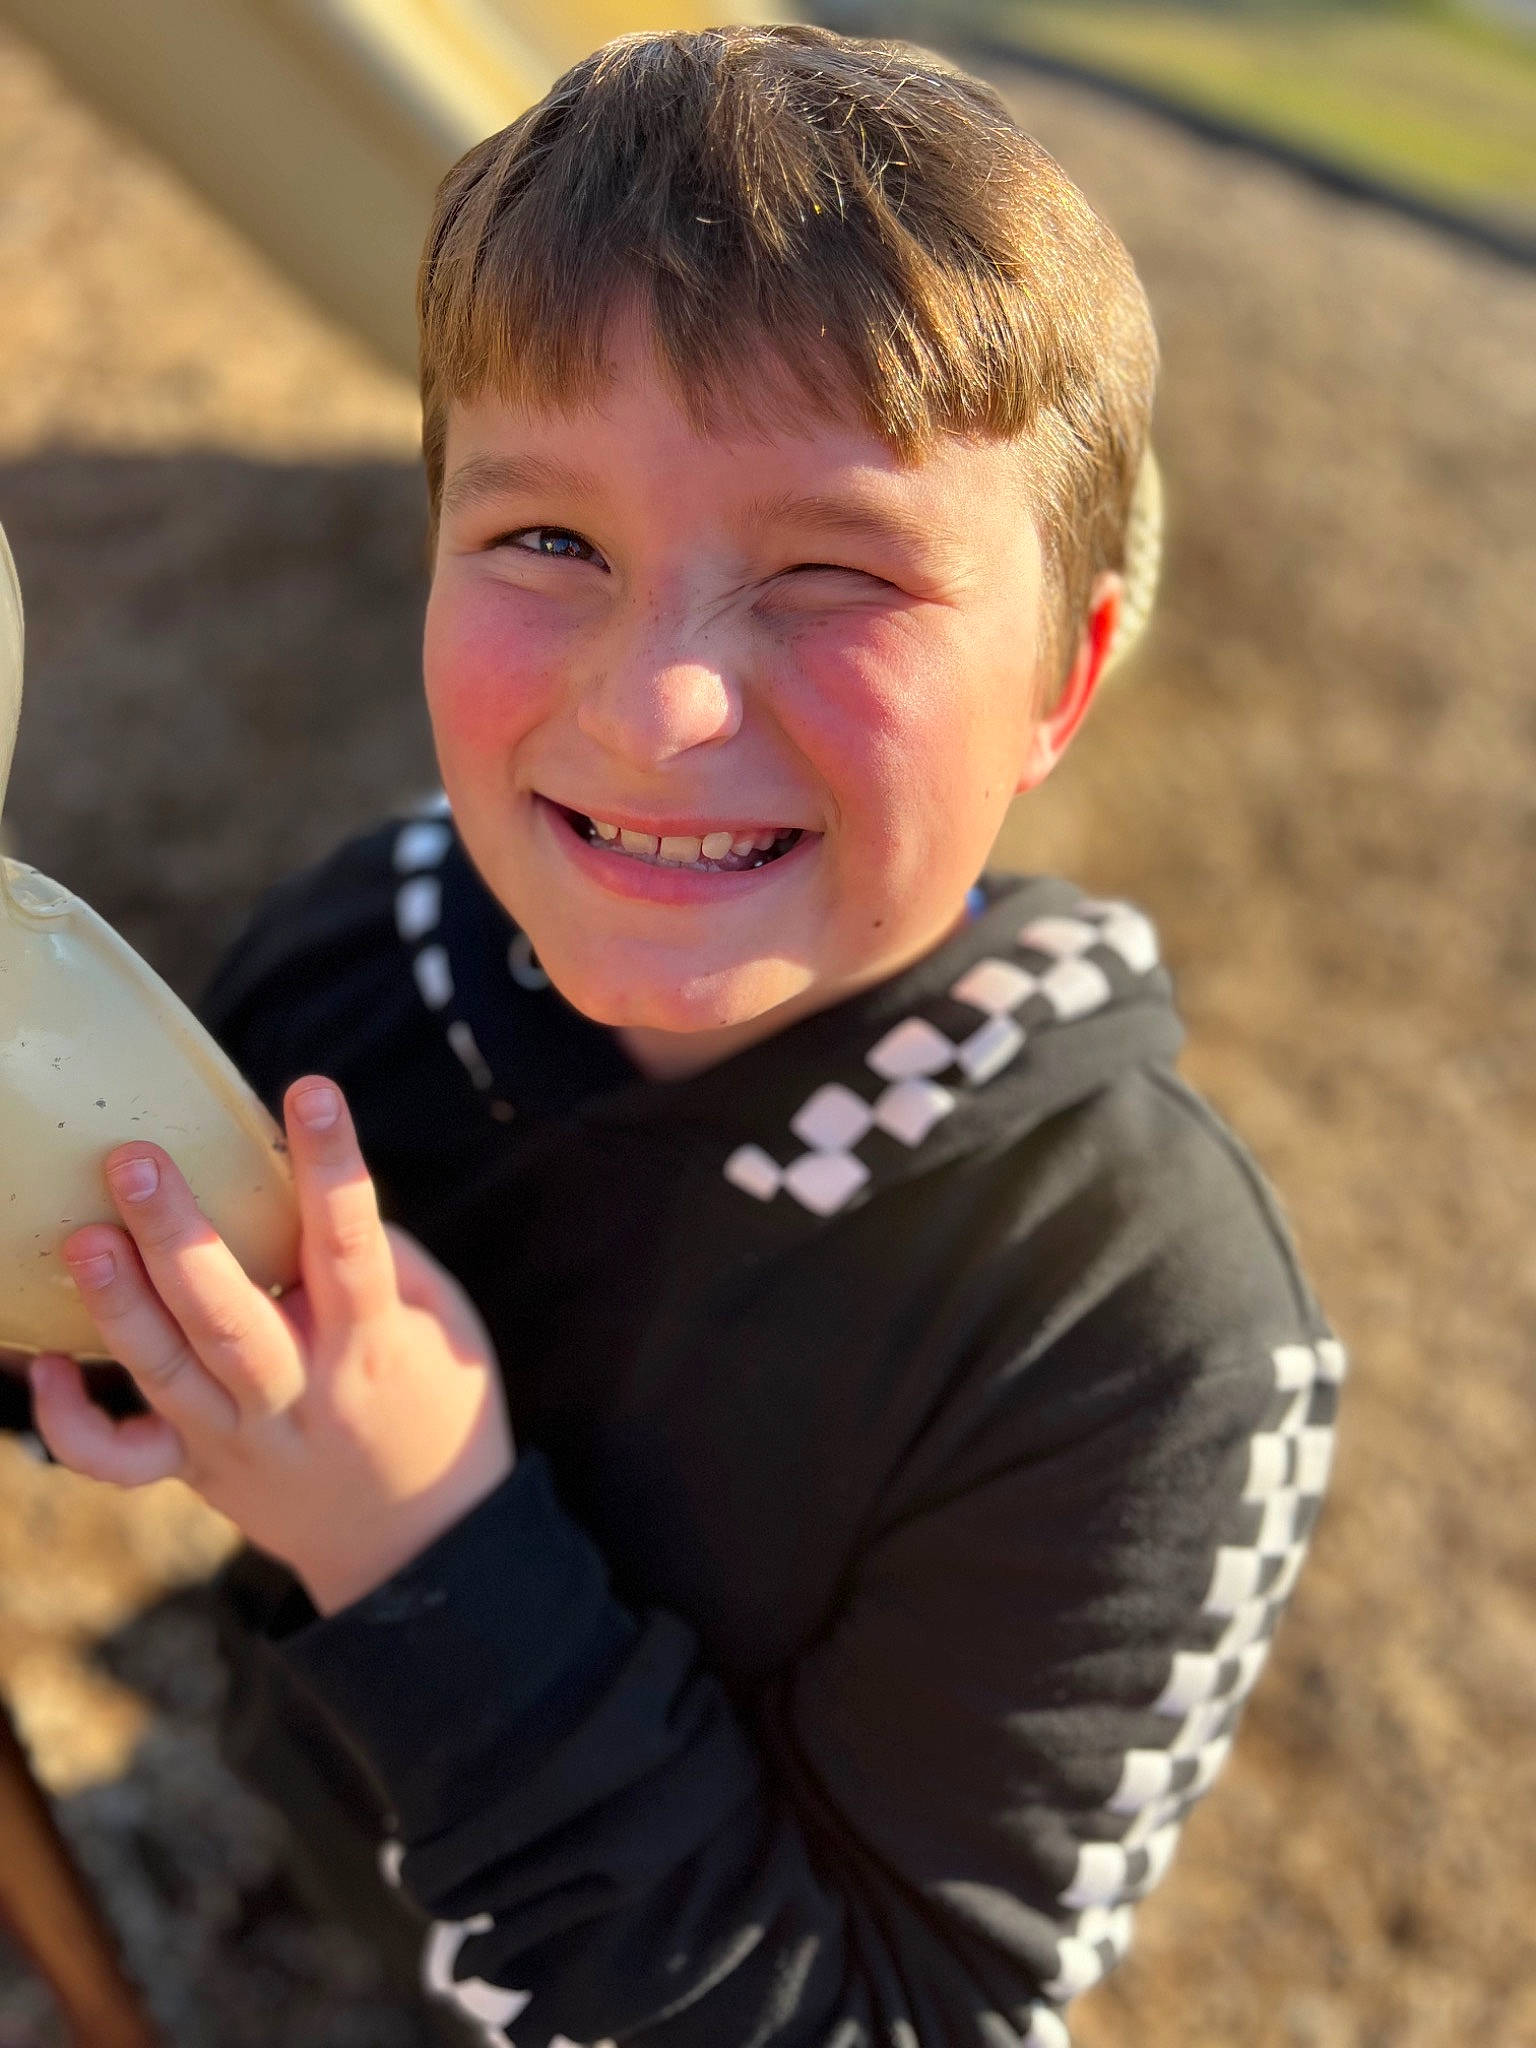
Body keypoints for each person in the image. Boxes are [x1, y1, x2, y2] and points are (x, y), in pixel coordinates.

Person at [23, 25, 1343, 2047]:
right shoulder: (371, 950)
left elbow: (899, 2014)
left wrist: (421, 1551)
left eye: (836, 571)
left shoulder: (1145, 1343)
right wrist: (114, 1342)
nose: (658, 710)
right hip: (268, 1830)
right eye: (548, 541)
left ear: (1062, 683)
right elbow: (101, 1296)